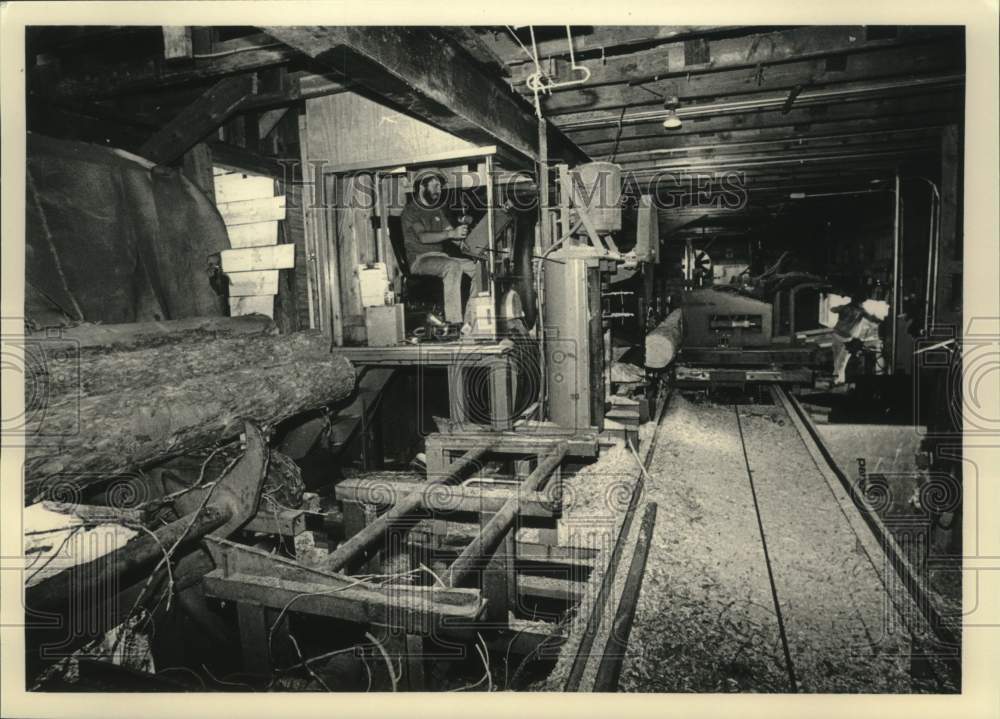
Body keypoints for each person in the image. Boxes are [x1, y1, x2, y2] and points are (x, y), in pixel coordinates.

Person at [400, 170, 481, 323]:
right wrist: (451, 235)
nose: (439, 190)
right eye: (435, 186)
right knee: (453, 266)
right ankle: (454, 323)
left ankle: (471, 320)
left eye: (440, 186)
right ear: (422, 187)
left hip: (441, 258)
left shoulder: (436, 210)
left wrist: (467, 243)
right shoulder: (411, 211)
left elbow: (451, 233)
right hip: (420, 260)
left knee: (477, 268)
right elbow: (423, 237)